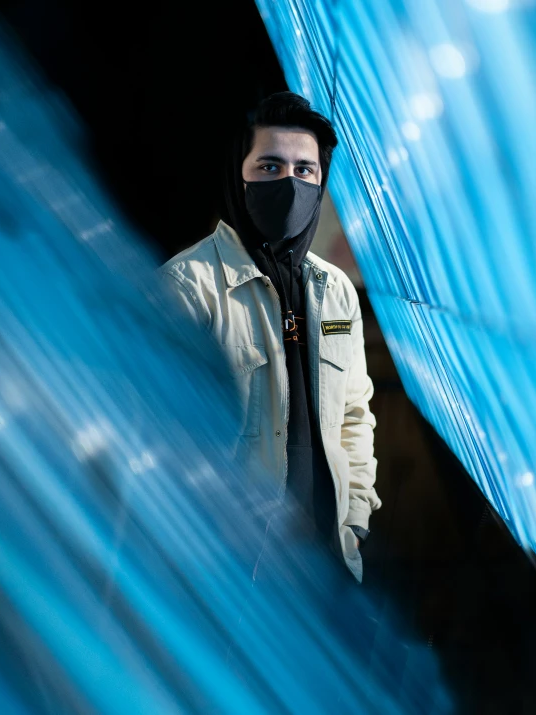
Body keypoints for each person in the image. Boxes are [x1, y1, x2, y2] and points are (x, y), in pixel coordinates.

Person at [160, 91, 380, 584]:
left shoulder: (336, 291)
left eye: (305, 170)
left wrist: (355, 520)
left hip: (327, 567)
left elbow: (354, 414)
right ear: (238, 176)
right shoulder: (186, 287)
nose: (289, 182)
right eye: (269, 167)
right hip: (231, 576)